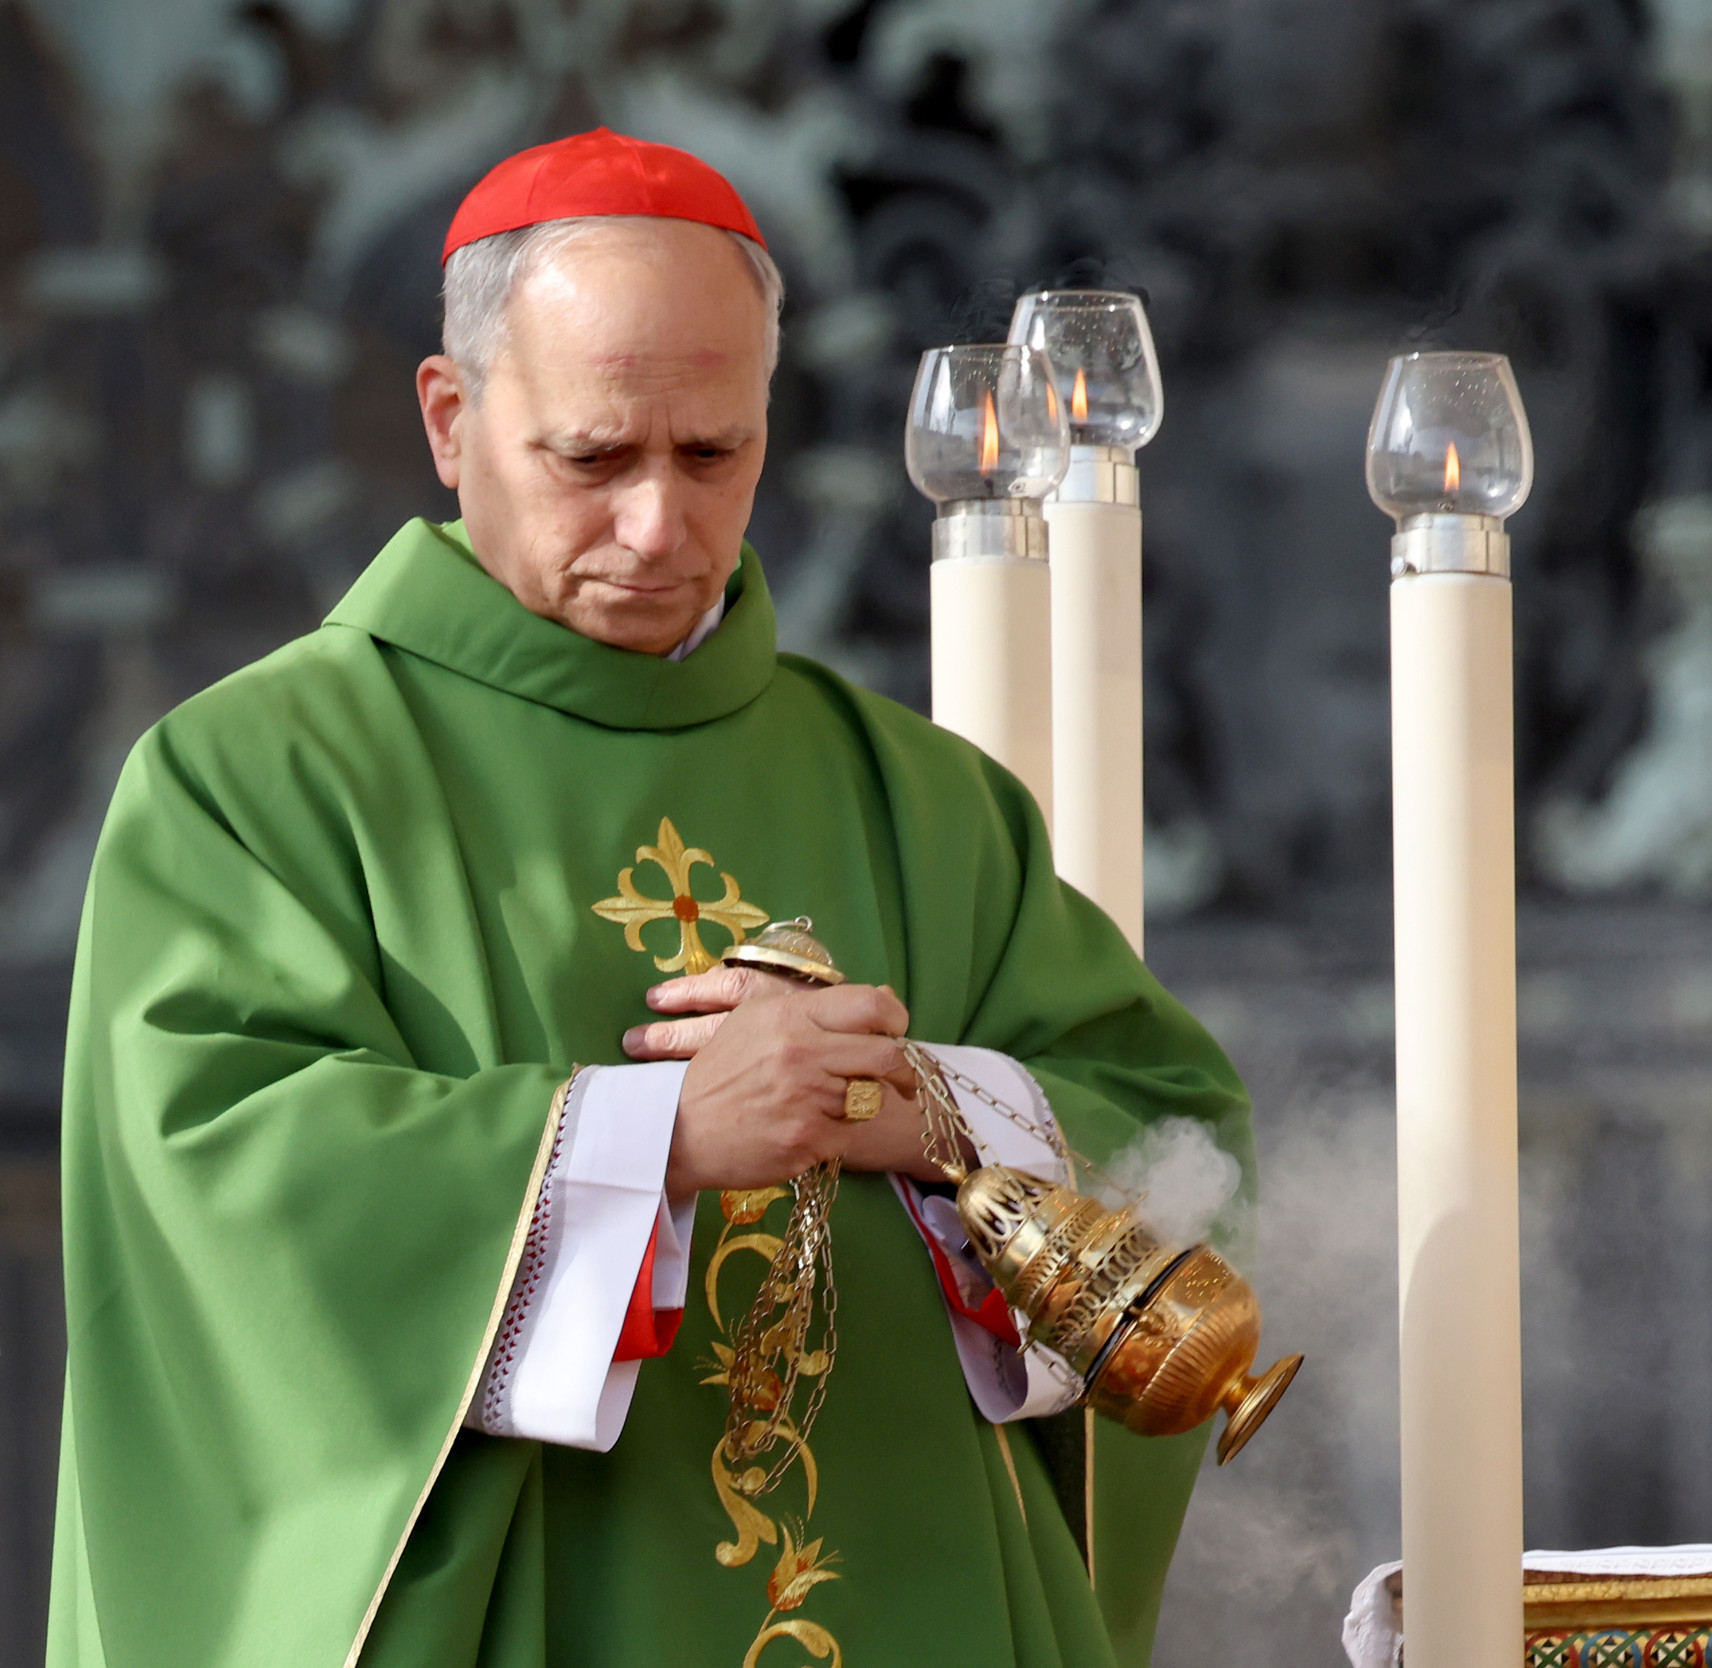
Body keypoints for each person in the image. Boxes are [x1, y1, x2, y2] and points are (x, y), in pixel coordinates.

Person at [48, 129, 1250, 1668]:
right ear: (449, 416)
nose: (660, 529)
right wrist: (660, 1139)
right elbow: (218, 1202)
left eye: (714, 453)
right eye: (594, 457)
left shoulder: (923, 794)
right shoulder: (256, 779)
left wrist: (934, 1113)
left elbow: (1179, 1136)